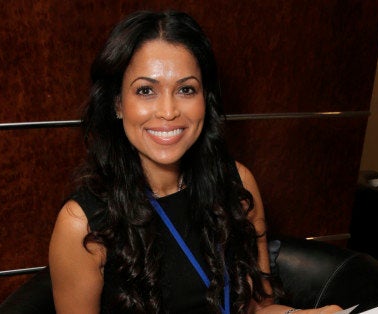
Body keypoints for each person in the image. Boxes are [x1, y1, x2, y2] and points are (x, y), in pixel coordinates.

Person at [48, 10, 342, 314]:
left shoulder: (238, 183)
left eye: (186, 89)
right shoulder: (81, 224)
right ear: (118, 104)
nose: (168, 111)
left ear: (206, 99)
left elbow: (257, 307)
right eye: (146, 90)